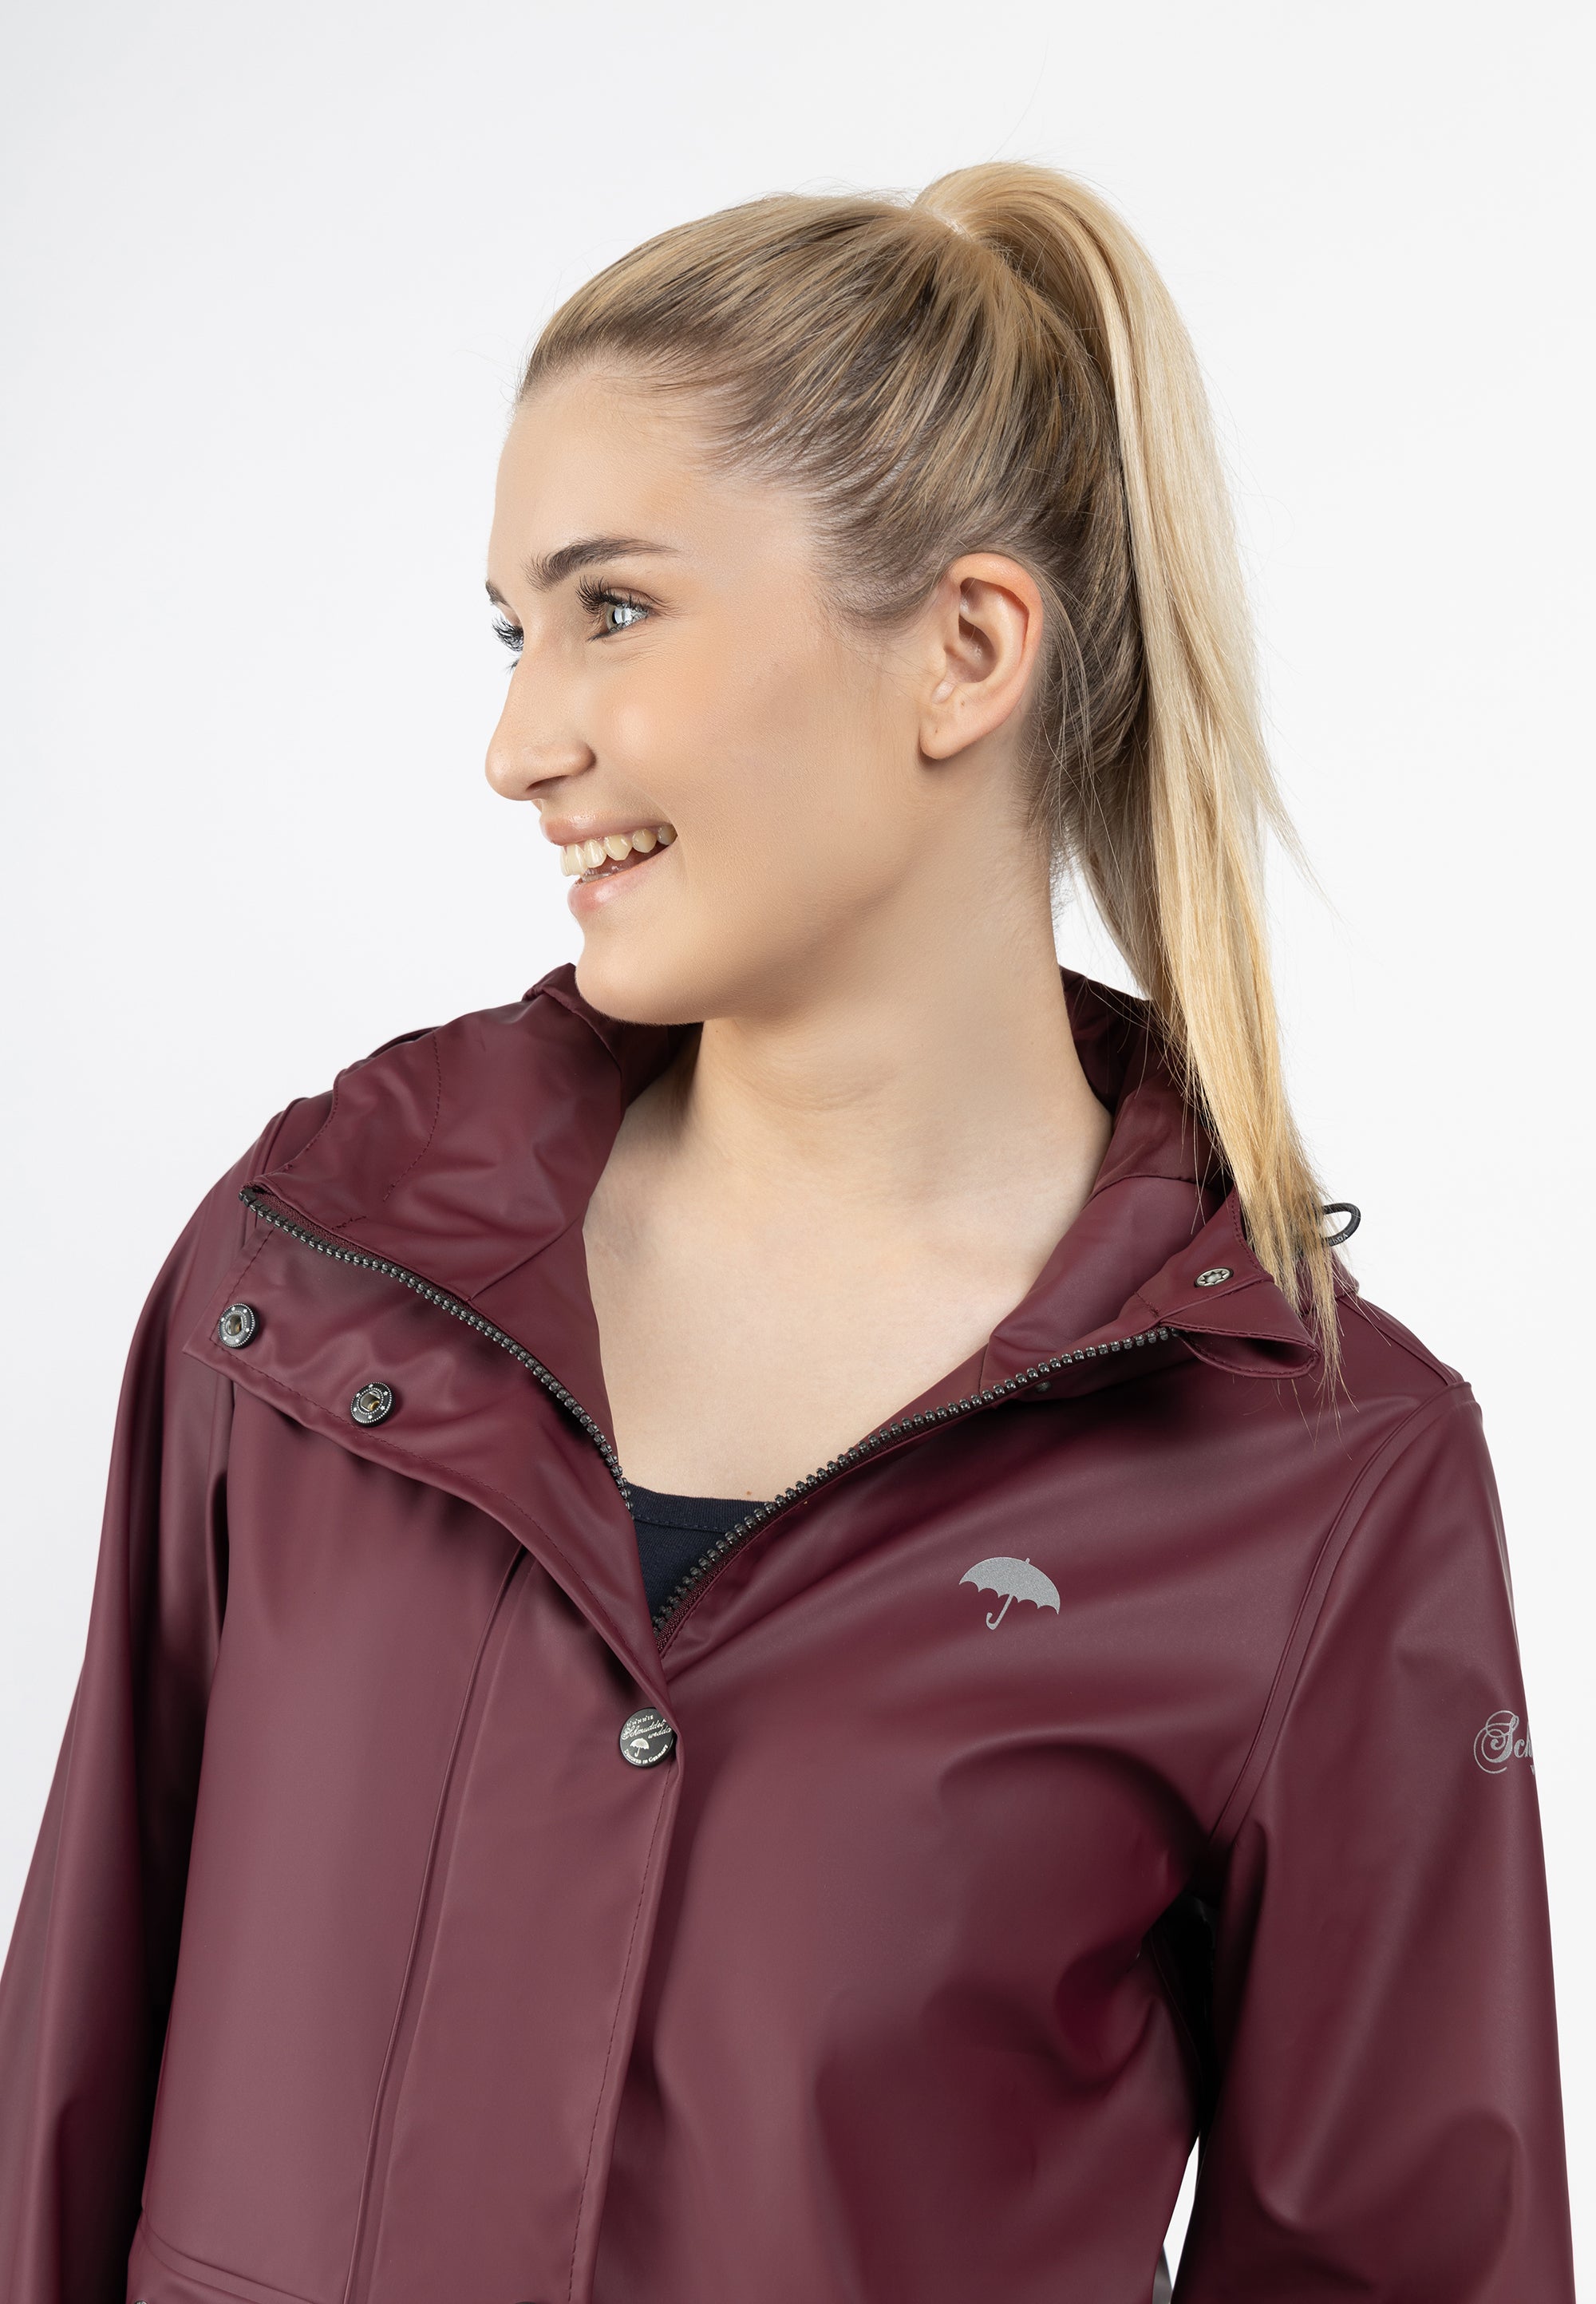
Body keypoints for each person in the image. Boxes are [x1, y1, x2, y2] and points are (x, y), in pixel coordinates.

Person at [0, 162, 1574, 2304]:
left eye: (613, 610)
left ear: (963, 651)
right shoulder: (309, 1282)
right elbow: (67, 2099)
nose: (517, 744)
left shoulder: (1323, 1476)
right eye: (514, 631)